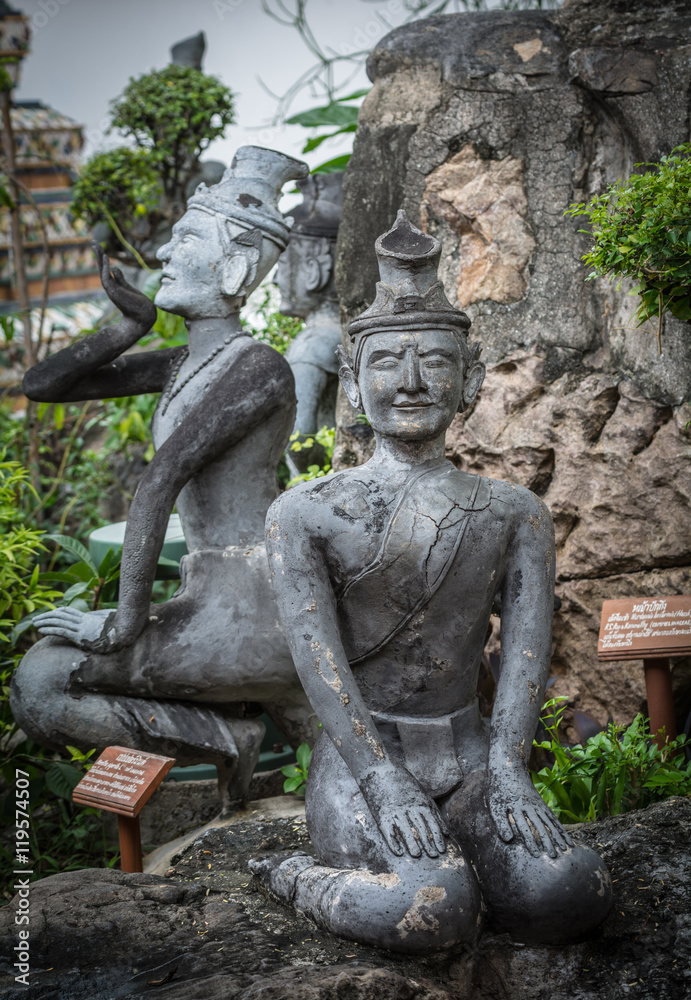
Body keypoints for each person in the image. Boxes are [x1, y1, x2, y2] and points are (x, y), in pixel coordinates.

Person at [254, 211, 612, 952]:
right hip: (365, 763)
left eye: (435, 361)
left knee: (568, 891)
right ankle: (292, 874)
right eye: (387, 362)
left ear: (471, 379)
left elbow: (521, 656)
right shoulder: (306, 513)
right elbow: (318, 669)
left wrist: (508, 769)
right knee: (431, 910)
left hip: (472, 758)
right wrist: (381, 781)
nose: (411, 382)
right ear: (353, 382)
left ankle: (472, 841)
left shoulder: (513, 513)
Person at [11, 147, 317, 805]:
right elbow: (41, 386)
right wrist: (128, 325)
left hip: (251, 606)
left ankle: (227, 741)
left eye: (185, 240)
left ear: (234, 266)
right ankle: (228, 739)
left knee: (41, 682)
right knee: (39, 677)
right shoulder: (184, 363)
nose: (162, 256)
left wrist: (122, 625)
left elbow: (160, 479)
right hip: (211, 599)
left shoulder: (259, 367)